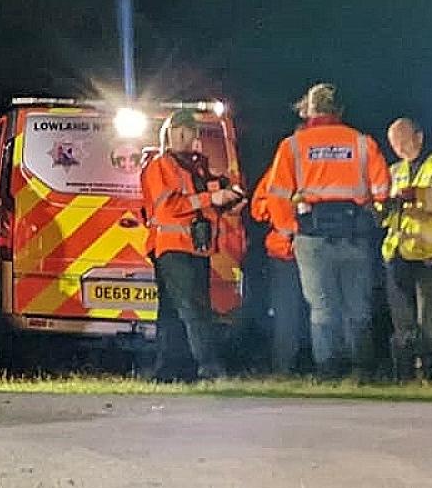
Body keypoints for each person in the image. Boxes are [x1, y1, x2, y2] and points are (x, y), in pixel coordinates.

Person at [262, 83, 390, 380]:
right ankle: (360, 370)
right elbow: (382, 189)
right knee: (357, 304)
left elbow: (276, 194)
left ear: (310, 110)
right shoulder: (361, 142)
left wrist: (289, 231)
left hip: (311, 235)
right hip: (355, 233)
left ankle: (328, 370)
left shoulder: (292, 145)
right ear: (340, 110)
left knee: (322, 306)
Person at [140, 109, 240, 381]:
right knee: (192, 309)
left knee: (174, 311)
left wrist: (227, 197)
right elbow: (168, 207)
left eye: (190, 132)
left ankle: (170, 370)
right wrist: (213, 198)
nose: (185, 137)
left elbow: (203, 198)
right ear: (169, 134)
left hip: (196, 246)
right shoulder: (160, 166)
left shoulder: (195, 166)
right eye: (180, 132)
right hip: (173, 246)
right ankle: (208, 367)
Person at [380, 118, 432, 384]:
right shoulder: (394, 171)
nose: (399, 147)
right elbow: (382, 211)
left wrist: (420, 197)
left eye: (404, 140)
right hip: (398, 251)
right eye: (394, 143)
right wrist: (385, 206)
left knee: (431, 316)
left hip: (430, 252)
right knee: (402, 321)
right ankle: (408, 377)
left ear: (420, 137)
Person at [249, 162, 308, 376]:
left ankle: (290, 366)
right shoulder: (277, 171)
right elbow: (258, 208)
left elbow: (258, 209)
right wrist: (280, 208)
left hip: (299, 250)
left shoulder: (280, 169)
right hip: (288, 252)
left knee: (295, 312)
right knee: (290, 313)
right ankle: (287, 366)